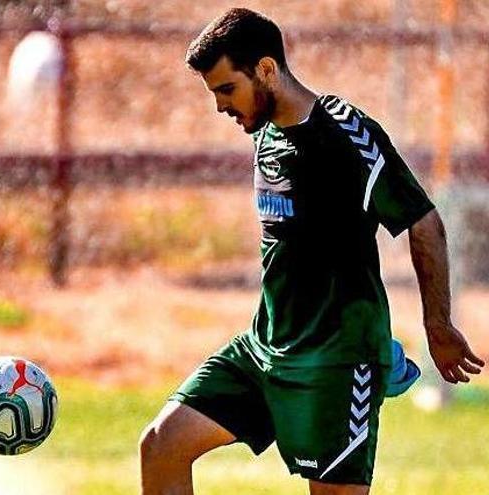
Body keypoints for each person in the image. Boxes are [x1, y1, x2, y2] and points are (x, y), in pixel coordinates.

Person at [139, 8, 485, 495]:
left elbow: (422, 220)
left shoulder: (344, 133)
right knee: (161, 444)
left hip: (336, 365)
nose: (220, 106)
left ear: (265, 70)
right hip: (266, 351)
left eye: (225, 90)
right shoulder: (264, 130)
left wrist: (437, 324)